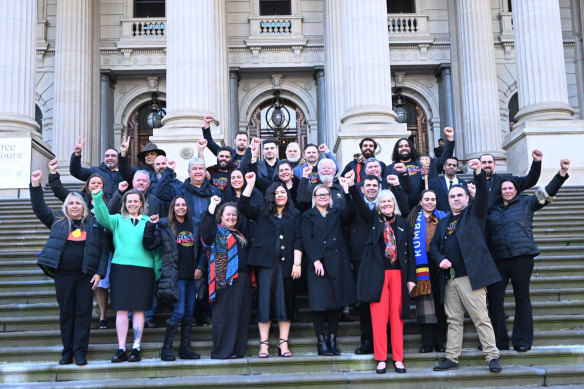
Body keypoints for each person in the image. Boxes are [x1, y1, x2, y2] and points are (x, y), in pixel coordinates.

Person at [486, 159, 570, 352]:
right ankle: (499, 342)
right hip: (498, 260)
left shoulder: (526, 203)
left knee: (522, 297)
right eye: (504, 188)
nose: (507, 191)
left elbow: (548, 191)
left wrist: (562, 172)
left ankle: (522, 341)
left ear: (516, 190)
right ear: (500, 191)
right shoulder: (491, 209)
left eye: (510, 188)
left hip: (522, 258)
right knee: (495, 300)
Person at [429, 159, 502, 373]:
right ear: (448, 200)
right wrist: (439, 259)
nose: (455, 199)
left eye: (459, 195)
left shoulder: (474, 214)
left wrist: (478, 172)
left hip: (471, 277)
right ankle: (452, 357)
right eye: (452, 196)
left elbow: (483, 199)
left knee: (481, 318)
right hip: (449, 279)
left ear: (467, 198)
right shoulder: (443, 222)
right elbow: (433, 248)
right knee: (453, 320)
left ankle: (492, 356)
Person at [30, 170, 108, 366]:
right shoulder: (58, 221)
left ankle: (80, 353)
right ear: (66, 207)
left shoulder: (94, 223)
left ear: (84, 207)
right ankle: (67, 352)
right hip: (63, 275)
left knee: (83, 313)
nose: (74, 206)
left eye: (78, 204)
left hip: (86, 275)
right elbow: (39, 207)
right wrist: (36, 184)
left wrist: (99, 273)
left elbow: (104, 250)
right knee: (67, 312)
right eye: (71, 203)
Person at [349, 178, 415, 375]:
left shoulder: (403, 223)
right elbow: (361, 206)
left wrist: (411, 278)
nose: (387, 204)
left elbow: (410, 253)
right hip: (377, 276)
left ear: (394, 204)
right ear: (378, 205)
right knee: (378, 319)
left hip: (398, 276)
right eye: (383, 202)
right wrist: (352, 187)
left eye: (390, 201)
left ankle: (398, 358)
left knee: (397, 318)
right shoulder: (374, 221)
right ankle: (381, 359)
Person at [92, 187, 162, 363]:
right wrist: (98, 197)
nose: (132, 204)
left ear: (141, 203)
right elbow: (102, 217)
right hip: (120, 268)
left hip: (144, 270)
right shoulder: (117, 220)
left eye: (135, 201)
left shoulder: (149, 221)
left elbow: (156, 250)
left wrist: (156, 272)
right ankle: (121, 348)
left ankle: (136, 347)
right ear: (125, 203)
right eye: (129, 201)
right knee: (121, 310)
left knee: (139, 309)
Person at [239, 172, 303, 358]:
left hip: (287, 265)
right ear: (271, 195)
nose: (280, 195)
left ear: (287, 195)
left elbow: (298, 239)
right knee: (264, 303)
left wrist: (297, 263)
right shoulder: (261, 211)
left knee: (286, 303)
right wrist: (250, 184)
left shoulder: (295, 214)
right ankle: (264, 346)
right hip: (265, 264)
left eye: (283, 192)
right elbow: (242, 206)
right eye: (276, 192)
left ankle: (283, 345)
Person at [47, 159, 113, 330]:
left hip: (107, 246)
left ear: (103, 186)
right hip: (86, 249)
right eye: (93, 183)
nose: (96, 185)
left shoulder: (110, 200)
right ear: (88, 185)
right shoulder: (79, 200)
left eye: (99, 183)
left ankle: (109, 313)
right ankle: (102, 316)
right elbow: (60, 191)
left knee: (105, 281)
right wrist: (53, 174)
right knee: (98, 285)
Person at [143, 196, 204, 361]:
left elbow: (202, 250)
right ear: (173, 207)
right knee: (178, 312)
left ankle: (185, 349)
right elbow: (149, 244)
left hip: (192, 277)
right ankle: (166, 349)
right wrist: (150, 225)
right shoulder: (165, 225)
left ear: (187, 207)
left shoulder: (195, 225)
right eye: (177, 205)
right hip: (175, 277)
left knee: (189, 313)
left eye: (184, 204)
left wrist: (200, 267)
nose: (181, 207)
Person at [301, 181, 356, 356]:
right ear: (314, 198)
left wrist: (347, 191)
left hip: (338, 261)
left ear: (330, 197)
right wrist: (316, 259)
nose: (322, 197)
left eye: (325, 194)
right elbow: (307, 239)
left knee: (335, 303)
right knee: (319, 304)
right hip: (318, 263)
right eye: (319, 195)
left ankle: (332, 339)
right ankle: (321, 341)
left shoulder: (336, 213)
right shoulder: (307, 215)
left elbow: (351, 213)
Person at [200, 197, 253, 359]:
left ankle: (237, 350)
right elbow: (206, 232)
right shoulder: (216, 232)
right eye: (227, 214)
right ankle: (223, 351)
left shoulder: (241, 234)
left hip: (243, 280)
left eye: (234, 215)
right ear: (221, 217)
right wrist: (212, 207)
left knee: (241, 316)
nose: (231, 217)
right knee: (223, 316)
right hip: (223, 281)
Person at [407, 190, 448, 353]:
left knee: (440, 304)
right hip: (421, 266)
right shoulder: (412, 220)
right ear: (420, 202)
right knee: (424, 306)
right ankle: (426, 343)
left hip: (440, 265)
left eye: (433, 199)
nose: (430, 202)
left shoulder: (444, 218)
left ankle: (439, 342)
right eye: (427, 199)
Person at [385, 127, 454, 209]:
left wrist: (449, 139)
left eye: (407, 145)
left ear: (411, 148)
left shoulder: (424, 162)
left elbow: (443, 161)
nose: (404, 148)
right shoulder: (389, 169)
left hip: (424, 209)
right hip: (400, 210)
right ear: (396, 150)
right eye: (400, 146)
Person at [157, 158, 222, 227]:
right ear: (189, 172)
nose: (198, 171)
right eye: (194, 169)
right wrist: (169, 170)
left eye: (201, 168)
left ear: (205, 171)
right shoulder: (180, 190)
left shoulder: (214, 190)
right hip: (188, 231)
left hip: (210, 231)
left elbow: (220, 212)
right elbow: (161, 193)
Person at [477, 150, 542, 208]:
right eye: (484, 162)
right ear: (478, 165)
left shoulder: (507, 181)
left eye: (490, 162)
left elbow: (530, 181)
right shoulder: (471, 184)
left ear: (494, 165)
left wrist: (536, 162)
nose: (487, 165)